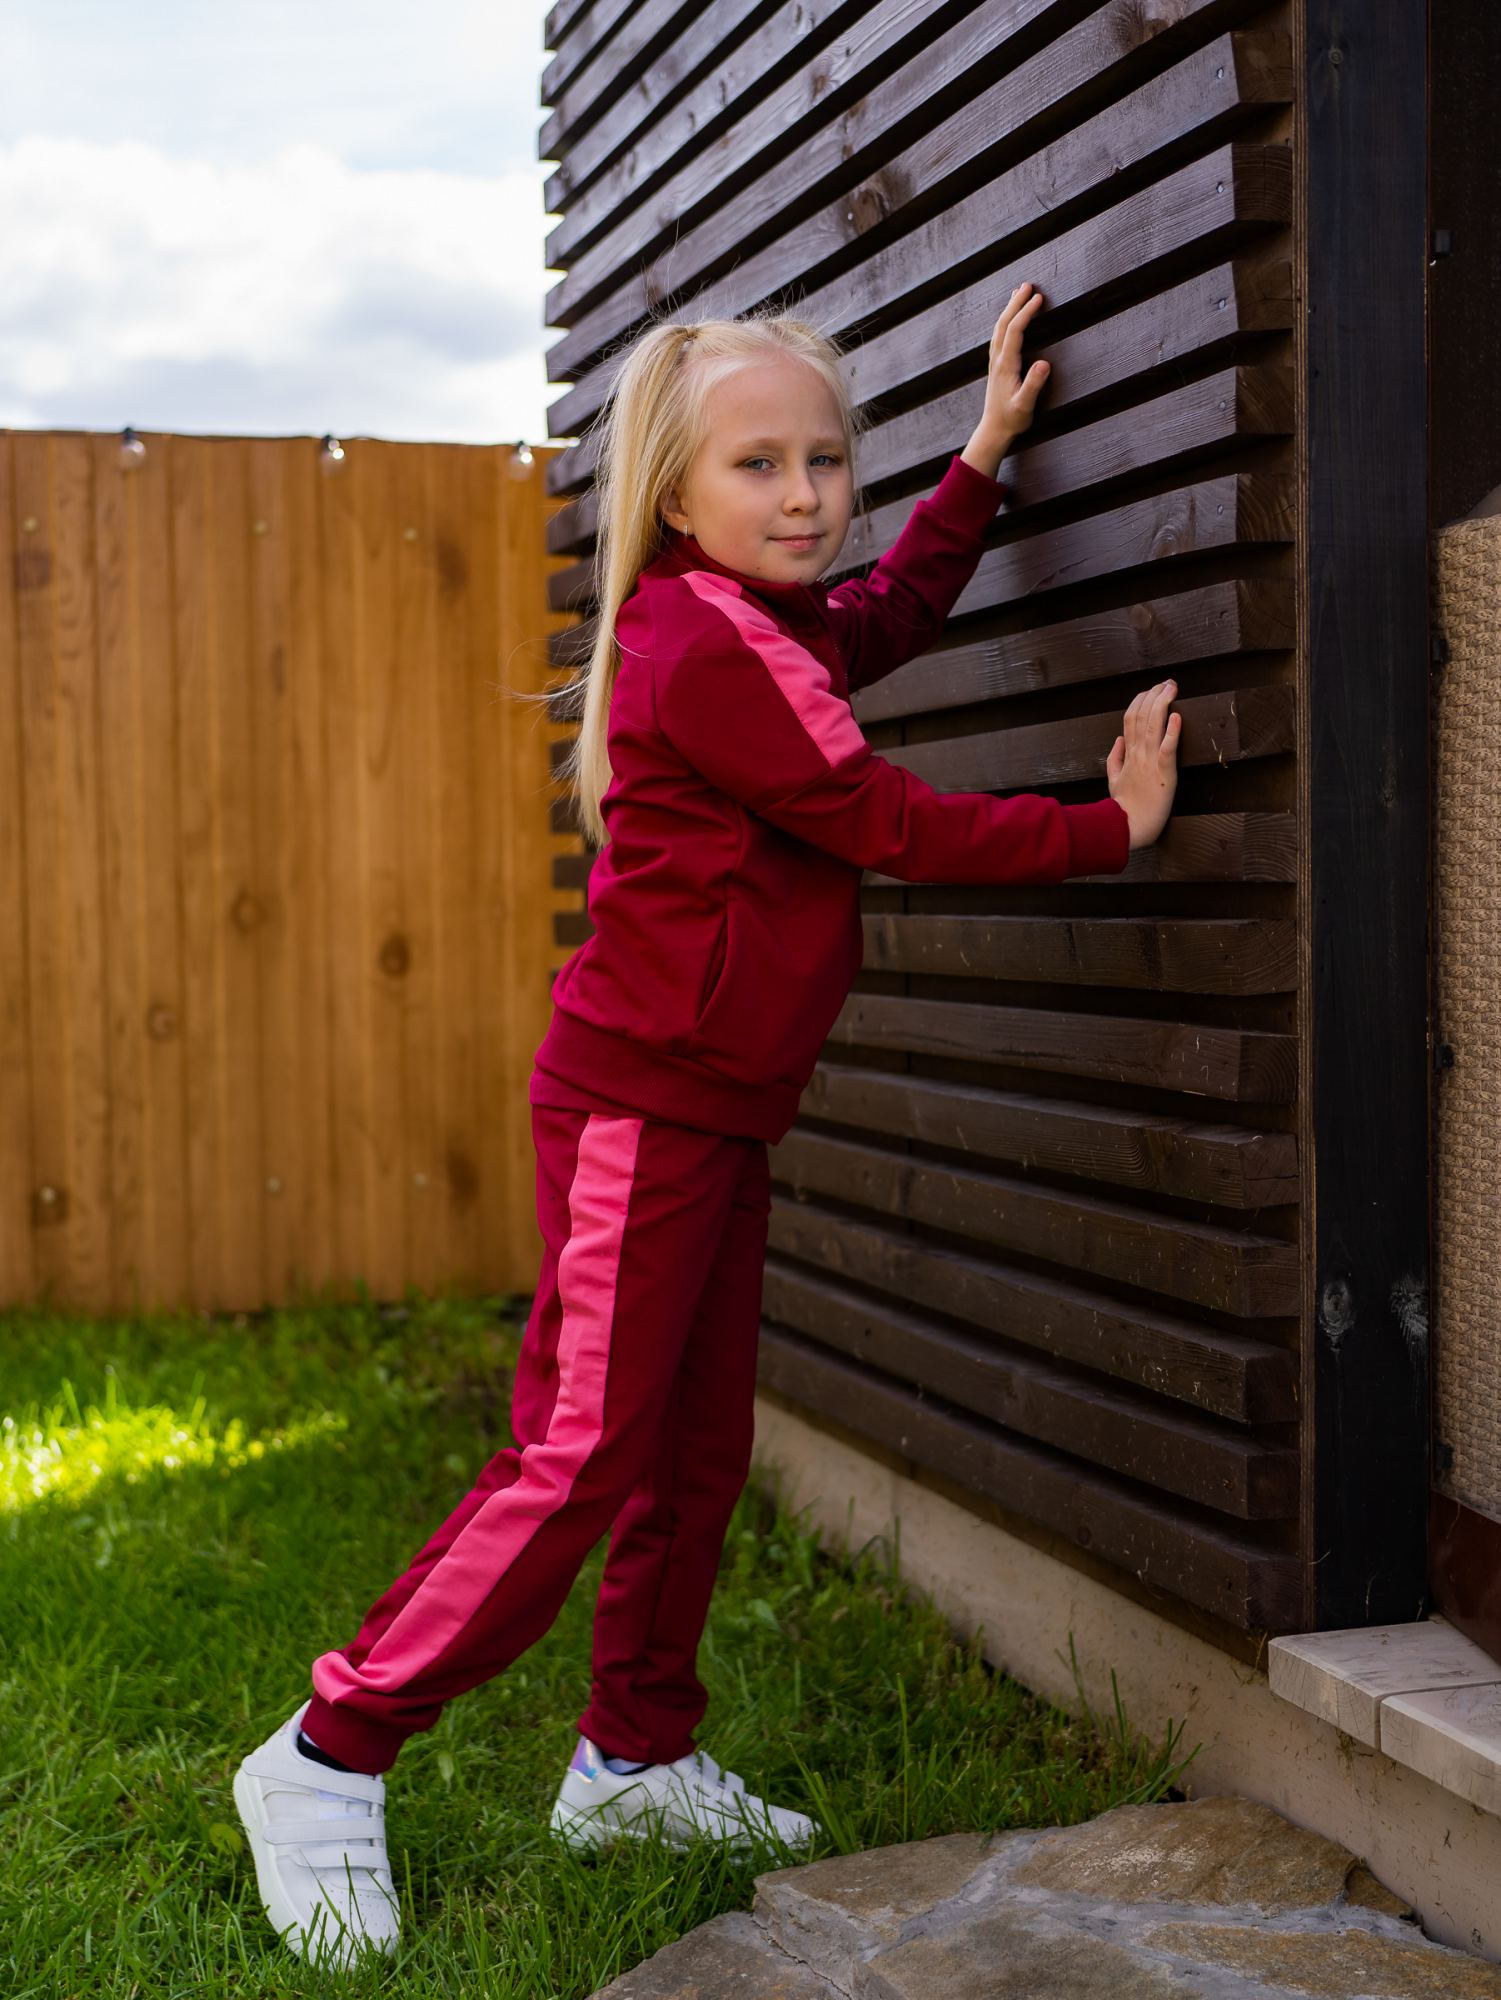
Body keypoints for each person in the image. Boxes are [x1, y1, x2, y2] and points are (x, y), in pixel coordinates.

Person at [232, 281, 1182, 1968]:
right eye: (759, 464)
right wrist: (1101, 829)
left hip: (713, 1108)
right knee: (579, 1453)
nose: (805, 495)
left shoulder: (760, 623)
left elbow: (879, 616)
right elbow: (879, 815)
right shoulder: (703, 641)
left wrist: (976, 459)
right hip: (639, 1107)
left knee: (690, 1450)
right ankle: (330, 1748)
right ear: (675, 493)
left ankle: (634, 1758)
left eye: (826, 459)